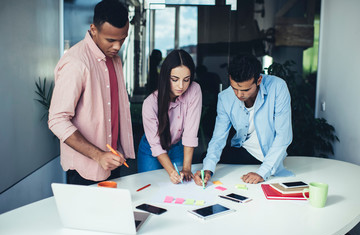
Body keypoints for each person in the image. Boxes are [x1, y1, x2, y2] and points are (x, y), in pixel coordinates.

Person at [48, 0, 135, 185]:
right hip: (86, 169)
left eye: (123, 39)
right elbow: (57, 120)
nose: (118, 47)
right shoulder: (76, 62)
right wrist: (98, 156)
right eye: (111, 40)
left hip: (113, 160)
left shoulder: (114, 59)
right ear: (93, 30)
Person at [194, 54, 293, 186]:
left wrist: (262, 172)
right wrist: (207, 169)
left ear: (259, 80)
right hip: (244, 150)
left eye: (246, 90)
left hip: (269, 153)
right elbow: (218, 137)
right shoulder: (225, 98)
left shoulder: (278, 87)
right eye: (235, 88)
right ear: (230, 78)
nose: (239, 94)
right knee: (206, 159)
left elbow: (284, 135)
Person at [137, 49, 202, 184]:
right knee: (150, 187)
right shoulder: (150, 103)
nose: (181, 86)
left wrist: (186, 168)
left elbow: (190, 132)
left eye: (186, 80)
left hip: (177, 146)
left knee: (181, 185)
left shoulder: (194, 90)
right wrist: (172, 172)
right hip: (151, 149)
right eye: (174, 79)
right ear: (165, 76)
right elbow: (156, 145)